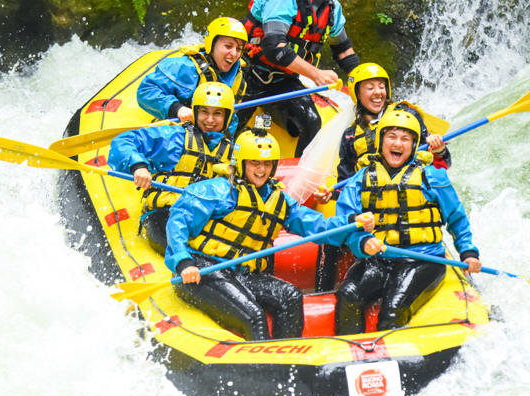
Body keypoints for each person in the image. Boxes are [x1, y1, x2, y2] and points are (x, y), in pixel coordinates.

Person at [164, 118, 375, 341]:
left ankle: (290, 360)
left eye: (267, 164)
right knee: (254, 316)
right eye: (254, 163)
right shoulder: (217, 190)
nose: (261, 170)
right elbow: (178, 222)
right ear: (241, 163)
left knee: (290, 295)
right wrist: (183, 262)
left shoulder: (279, 201)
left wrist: (351, 221)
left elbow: (318, 226)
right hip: (204, 269)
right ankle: (264, 368)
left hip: (243, 274)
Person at [333, 110, 482, 335]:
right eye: (391, 137)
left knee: (392, 310)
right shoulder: (360, 178)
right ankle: (348, 356)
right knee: (348, 296)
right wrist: (361, 241)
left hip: (422, 259)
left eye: (405, 139)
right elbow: (344, 222)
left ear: (414, 145)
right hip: (378, 258)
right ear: (380, 141)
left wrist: (468, 253)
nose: (398, 144)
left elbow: (456, 218)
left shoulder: (431, 177)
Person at [311, 62, 452, 292]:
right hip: (370, 207)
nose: (378, 92)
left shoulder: (408, 117)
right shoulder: (350, 137)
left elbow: (441, 166)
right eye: (370, 87)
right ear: (356, 93)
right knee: (330, 239)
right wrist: (331, 194)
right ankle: (322, 293)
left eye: (381, 86)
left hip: (406, 202)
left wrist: (438, 150)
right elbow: (346, 183)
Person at [109, 82, 237, 254]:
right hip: (165, 215)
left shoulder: (233, 152)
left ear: (227, 117)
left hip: (202, 218)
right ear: (196, 112)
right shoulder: (175, 138)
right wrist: (138, 166)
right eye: (204, 111)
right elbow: (124, 141)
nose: (210, 120)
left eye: (217, 114)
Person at [237, 0, 361, 157]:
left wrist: (361, 84)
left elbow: (343, 50)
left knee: (311, 122)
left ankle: (298, 176)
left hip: (284, 80)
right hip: (248, 72)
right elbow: (274, 47)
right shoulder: (283, 2)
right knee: (230, 122)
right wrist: (316, 74)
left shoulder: (332, 8)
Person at [136, 17, 247, 136]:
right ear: (212, 45)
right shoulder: (185, 68)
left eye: (239, 49)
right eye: (228, 46)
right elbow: (146, 91)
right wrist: (176, 108)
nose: (234, 54)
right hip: (175, 135)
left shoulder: (238, 79)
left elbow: (231, 119)